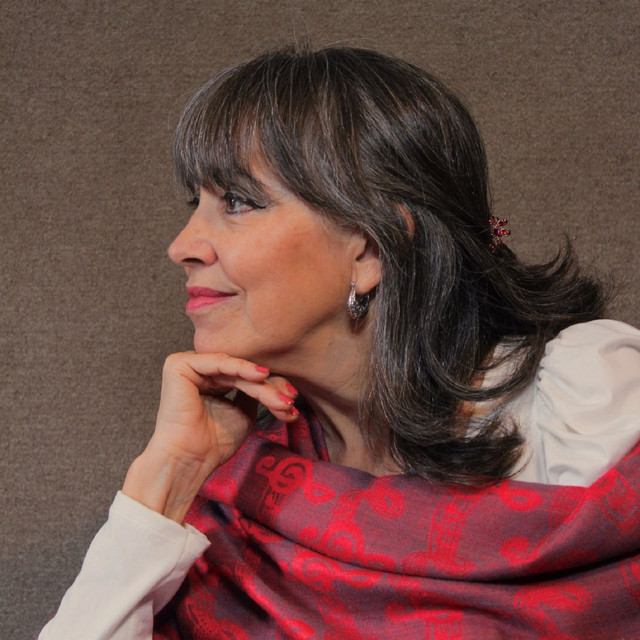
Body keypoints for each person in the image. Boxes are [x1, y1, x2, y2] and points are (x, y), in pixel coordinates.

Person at [39, 46, 640, 639]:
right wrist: (169, 475)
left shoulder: (586, 404)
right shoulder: (234, 486)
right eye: (197, 203)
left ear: (371, 250)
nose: (182, 246)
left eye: (238, 202)